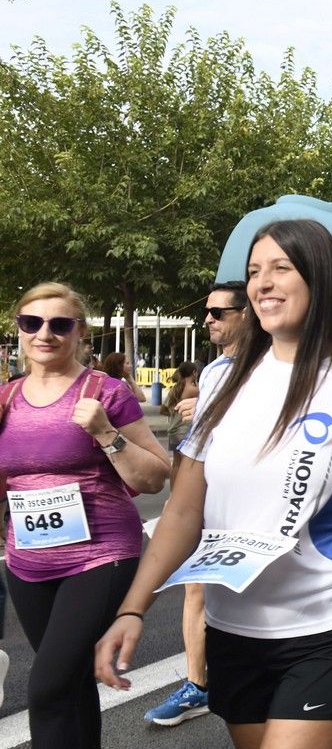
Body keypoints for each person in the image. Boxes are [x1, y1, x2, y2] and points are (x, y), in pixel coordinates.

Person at [95, 219, 332, 748]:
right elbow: (182, 510)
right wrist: (133, 608)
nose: (262, 283)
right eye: (254, 271)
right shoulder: (220, 378)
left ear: (321, 279)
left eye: (281, 268)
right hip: (233, 630)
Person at [0, 282, 169, 748]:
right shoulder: (7, 397)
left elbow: (156, 476)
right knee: (70, 684)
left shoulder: (105, 393)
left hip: (99, 556)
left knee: (47, 686)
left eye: (59, 324)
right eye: (32, 323)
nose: (44, 333)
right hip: (27, 560)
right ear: (19, 329)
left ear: (81, 333)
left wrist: (105, 432)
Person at [143, 281, 248, 726]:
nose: (208, 319)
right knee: (196, 585)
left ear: (247, 316)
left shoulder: (271, 367)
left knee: (250, 593)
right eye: (208, 312)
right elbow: (205, 438)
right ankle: (197, 685)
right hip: (209, 496)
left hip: (255, 502)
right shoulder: (212, 372)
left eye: (219, 313)